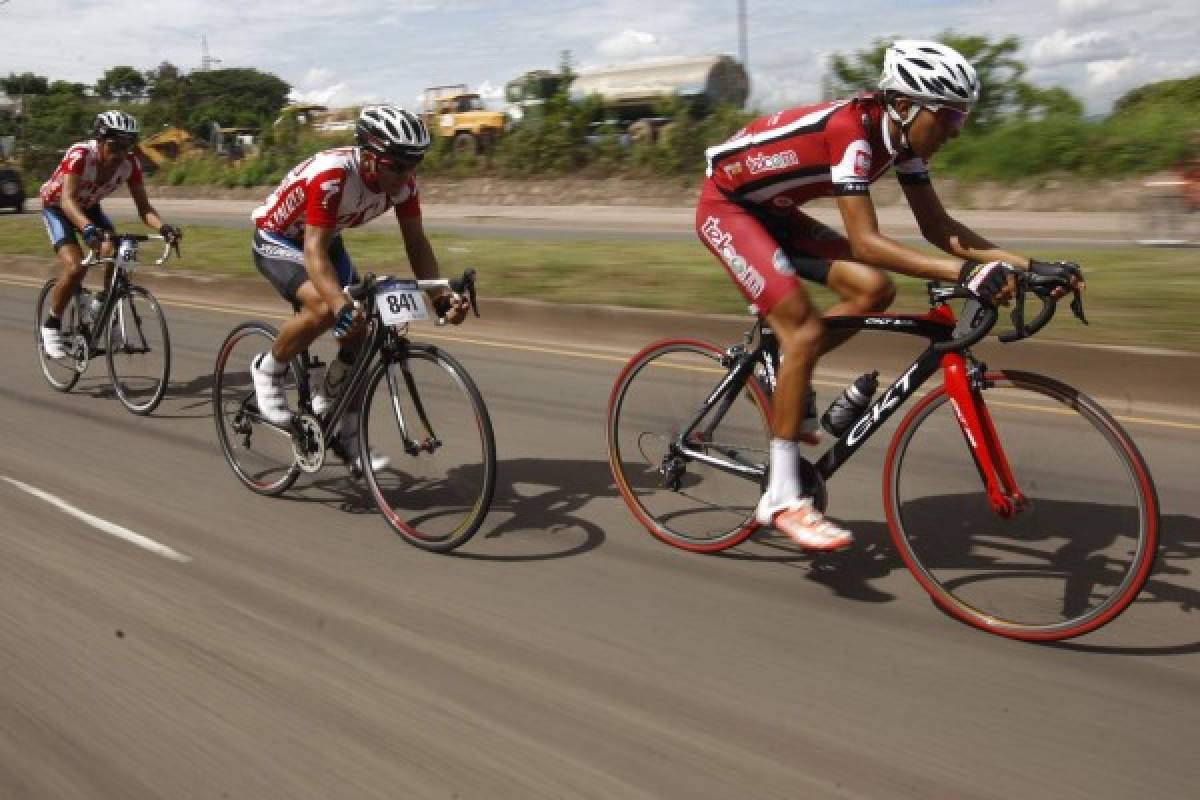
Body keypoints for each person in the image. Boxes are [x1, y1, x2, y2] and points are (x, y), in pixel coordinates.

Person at [696, 39, 1083, 550]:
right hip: (729, 207)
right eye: (946, 118)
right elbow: (866, 241)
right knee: (806, 328)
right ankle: (783, 499)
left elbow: (940, 227)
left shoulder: (902, 144)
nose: (953, 131)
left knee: (874, 289)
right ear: (903, 105)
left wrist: (1030, 266)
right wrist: (966, 274)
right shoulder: (851, 133)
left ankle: (789, 368)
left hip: (777, 213)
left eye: (960, 120)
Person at [249, 104, 469, 473]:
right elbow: (313, 250)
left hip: (326, 241)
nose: (406, 175)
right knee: (324, 309)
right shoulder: (333, 175)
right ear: (369, 156)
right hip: (280, 238)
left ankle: (343, 424)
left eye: (414, 164)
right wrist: (338, 304)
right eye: (397, 165)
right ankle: (269, 368)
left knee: (364, 331)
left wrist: (440, 297)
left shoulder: (402, 183)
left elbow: (416, 242)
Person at [39, 111, 181, 358]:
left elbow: (144, 208)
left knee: (114, 251)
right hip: (59, 207)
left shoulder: (130, 165)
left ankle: (102, 304)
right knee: (75, 268)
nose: (120, 153)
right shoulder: (81, 155)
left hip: (89, 207)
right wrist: (87, 228)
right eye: (116, 145)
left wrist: (164, 228)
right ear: (101, 139)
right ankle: (51, 325)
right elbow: (68, 200)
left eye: (128, 146)